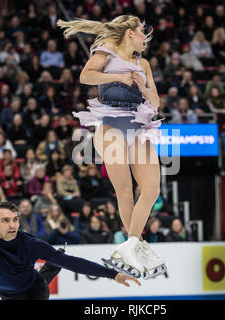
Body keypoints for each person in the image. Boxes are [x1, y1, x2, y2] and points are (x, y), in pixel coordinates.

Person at [58, 15, 165, 279]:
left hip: (138, 126)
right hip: (110, 125)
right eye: (142, 32)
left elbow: (155, 100)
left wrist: (143, 88)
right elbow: (86, 76)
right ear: (129, 33)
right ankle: (135, 244)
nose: (145, 37)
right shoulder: (106, 49)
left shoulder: (145, 64)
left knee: (151, 190)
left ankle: (131, 244)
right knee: (125, 191)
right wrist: (118, 76)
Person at [0, 202, 140, 300]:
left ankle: (53, 262)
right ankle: (52, 264)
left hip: (34, 291)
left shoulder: (30, 243)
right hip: (7, 294)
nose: (13, 224)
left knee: (49, 272)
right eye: (6, 220)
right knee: (49, 267)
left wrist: (112, 274)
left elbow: (73, 263)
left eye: (15, 219)